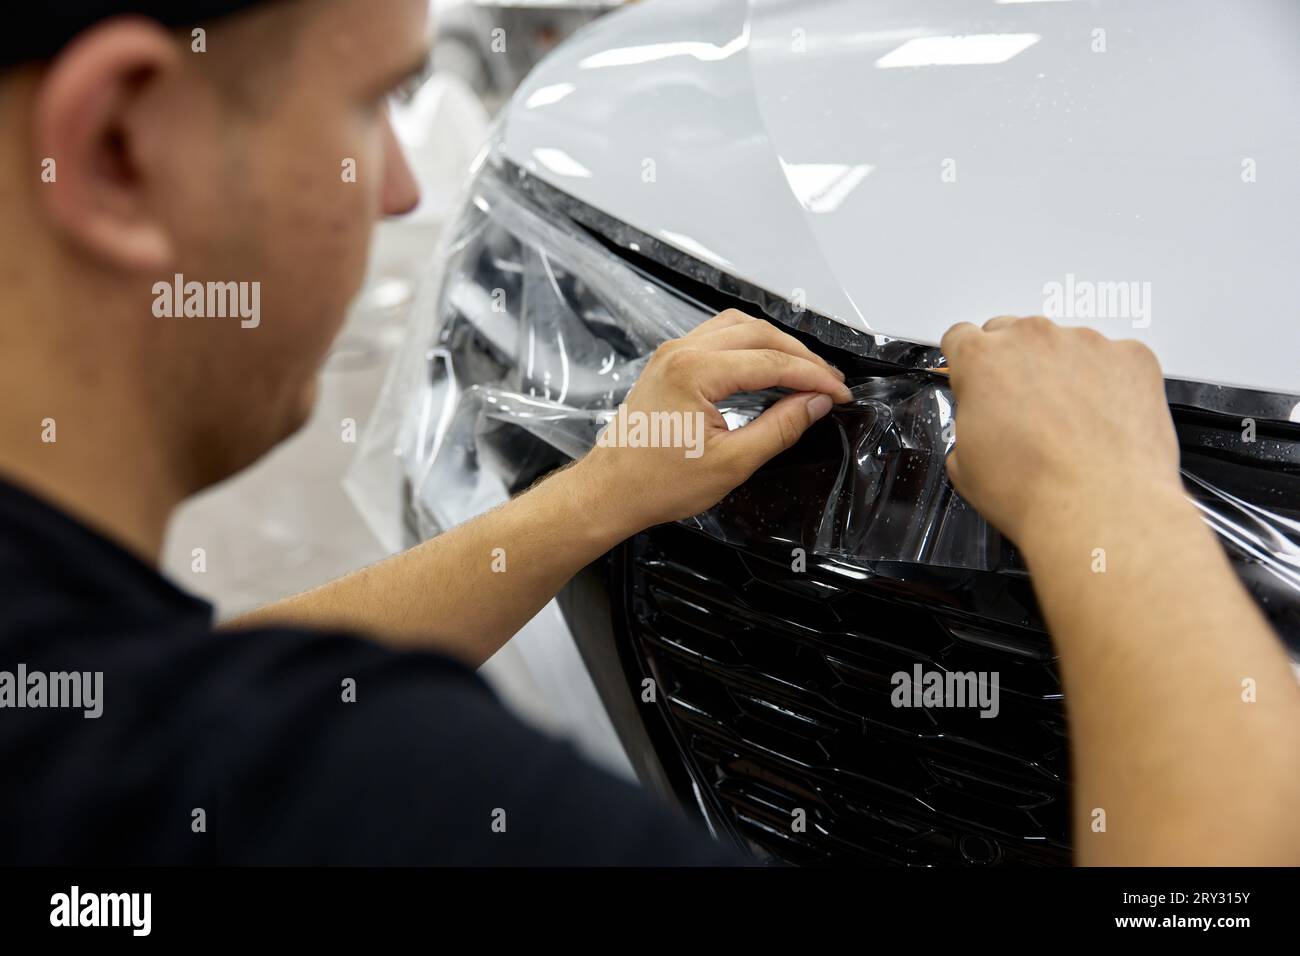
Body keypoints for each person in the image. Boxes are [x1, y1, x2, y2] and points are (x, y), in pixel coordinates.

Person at [0, 0, 1295, 866]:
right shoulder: (394, 808)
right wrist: (1115, 505)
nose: (400, 188)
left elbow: (199, 709)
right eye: (372, 110)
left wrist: (596, 496)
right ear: (116, 147)